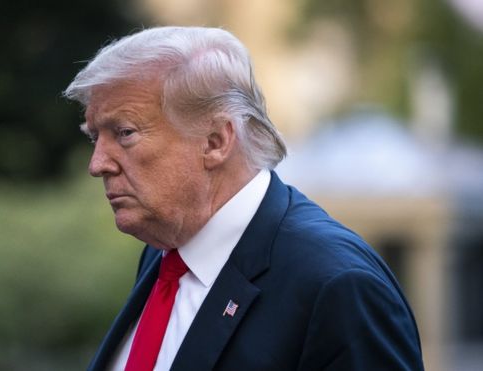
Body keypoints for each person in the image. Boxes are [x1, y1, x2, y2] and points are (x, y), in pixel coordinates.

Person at [64, 26, 424, 371]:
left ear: (216, 141)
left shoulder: (337, 286)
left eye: (124, 133)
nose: (97, 165)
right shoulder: (164, 253)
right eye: (95, 137)